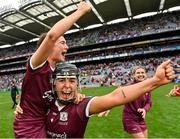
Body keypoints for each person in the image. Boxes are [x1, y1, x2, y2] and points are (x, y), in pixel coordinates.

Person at [13, 1, 91, 138]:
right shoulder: (37, 64)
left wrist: (76, 95)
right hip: (29, 126)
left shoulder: (56, 73)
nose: (66, 47)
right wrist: (81, 11)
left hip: (46, 122)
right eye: (62, 43)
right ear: (49, 47)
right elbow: (52, 36)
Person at [44, 60, 174, 138]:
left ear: (77, 84)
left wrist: (156, 80)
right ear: (54, 83)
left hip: (139, 118)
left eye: (72, 81)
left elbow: (116, 97)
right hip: (131, 119)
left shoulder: (82, 105)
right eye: (61, 80)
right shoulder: (43, 102)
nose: (67, 85)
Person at [122, 66, 152, 138]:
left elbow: (149, 102)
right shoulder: (129, 86)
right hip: (130, 118)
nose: (140, 74)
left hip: (141, 118)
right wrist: (108, 107)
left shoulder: (147, 87)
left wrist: (144, 109)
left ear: (145, 74)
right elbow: (118, 96)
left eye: (142, 72)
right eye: (138, 73)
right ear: (134, 75)